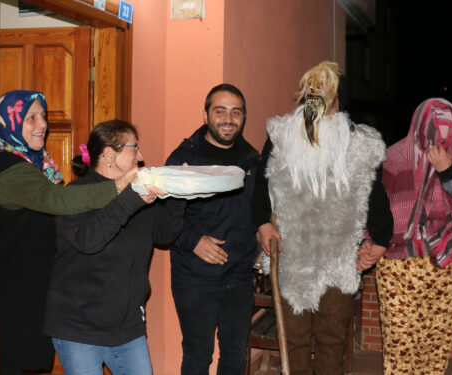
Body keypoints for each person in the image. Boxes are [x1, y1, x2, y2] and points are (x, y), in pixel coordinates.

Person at [253, 61, 393, 375]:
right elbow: (261, 185)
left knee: (332, 336)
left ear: (339, 103)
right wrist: (262, 222)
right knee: (295, 338)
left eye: (327, 99)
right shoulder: (283, 139)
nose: (319, 106)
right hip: (292, 257)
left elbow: (376, 194)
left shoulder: (358, 144)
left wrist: (382, 239)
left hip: (339, 257)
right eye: (312, 98)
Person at [0, 90, 136, 374]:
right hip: (14, 286)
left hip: (34, 281)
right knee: (16, 358)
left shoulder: (37, 164)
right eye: (31, 117)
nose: (42, 124)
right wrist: (120, 187)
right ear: (9, 123)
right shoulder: (8, 169)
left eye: (43, 116)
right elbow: (57, 201)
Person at [43, 120, 185, 375]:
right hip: (79, 329)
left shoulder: (137, 194)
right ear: (109, 154)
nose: (140, 156)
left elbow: (164, 234)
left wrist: (179, 195)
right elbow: (89, 241)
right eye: (134, 149)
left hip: (127, 328)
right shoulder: (75, 194)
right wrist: (129, 199)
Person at [377, 98, 452, 374]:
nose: (441, 140)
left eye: (448, 133)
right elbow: (372, 208)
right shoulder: (392, 157)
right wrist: (368, 241)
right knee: (401, 340)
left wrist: (448, 171)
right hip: (398, 262)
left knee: (434, 340)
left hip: (444, 260)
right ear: (419, 128)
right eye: (433, 132)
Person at [164, 83, 260, 374]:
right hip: (195, 277)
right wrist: (193, 241)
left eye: (236, 112)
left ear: (243, 117)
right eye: (220, 111)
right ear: (205, 116)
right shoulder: (183, 159)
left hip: (239, 276)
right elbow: (163, 219)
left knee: (235, 358)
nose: (228, 119)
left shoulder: (252, 160)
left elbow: (260, 210)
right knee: (197, 356)